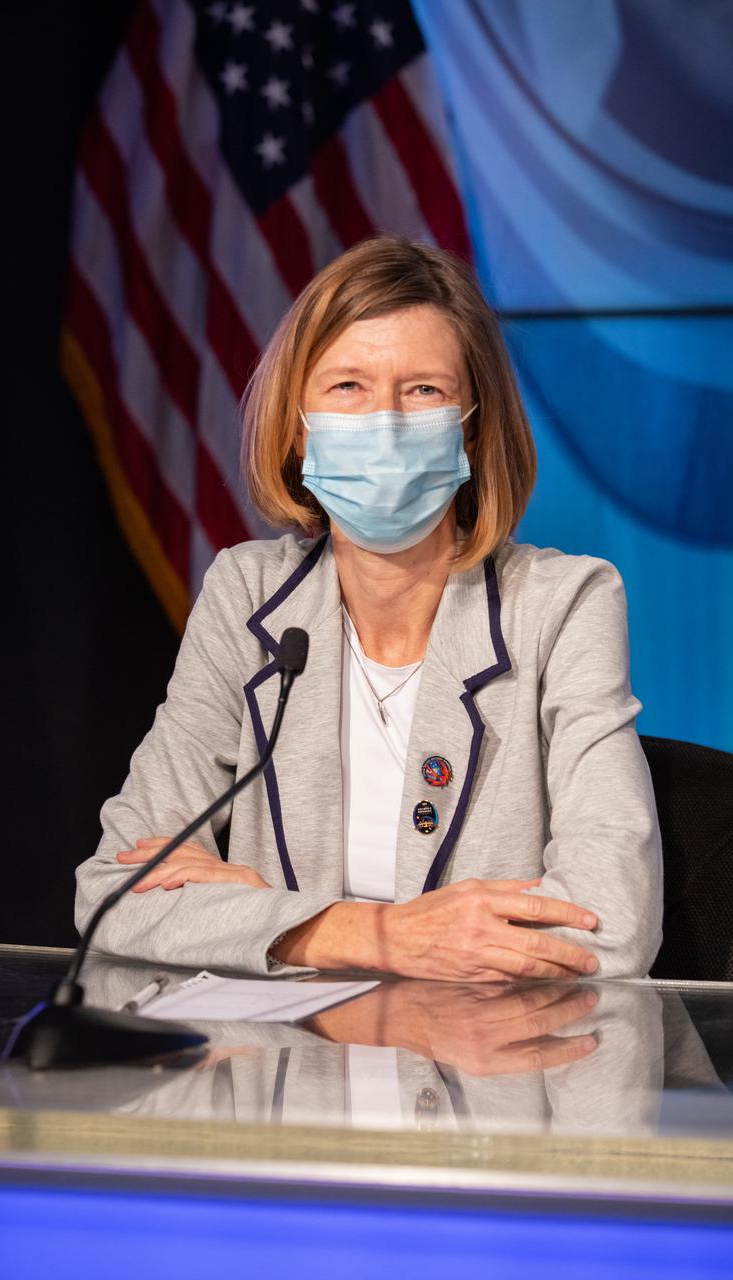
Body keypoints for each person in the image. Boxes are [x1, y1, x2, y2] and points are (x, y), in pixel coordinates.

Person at [76, 236, 662, 982]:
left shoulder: (561, 604)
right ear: (296, 428)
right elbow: (111, 892)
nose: (383, 423)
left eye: (422, 391)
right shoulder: (246, 594)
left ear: (473, 433)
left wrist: (264, 919)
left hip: (489, 1079)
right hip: (289, 1081)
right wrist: (355, 932)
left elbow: (608, 928)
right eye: (348, 387)